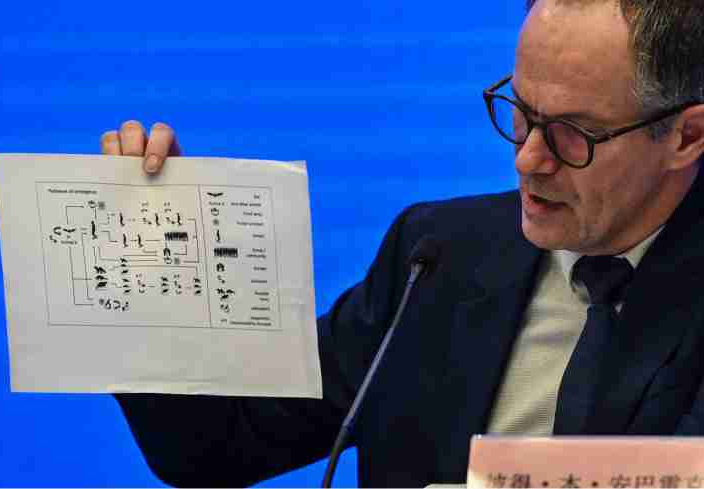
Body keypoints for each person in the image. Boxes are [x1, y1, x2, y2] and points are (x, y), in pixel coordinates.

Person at [105, 0, 704, 486]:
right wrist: (157, 261)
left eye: (574, 133)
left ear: (686, 136)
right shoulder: (440, 255)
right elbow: (215, 445)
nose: (528, 158)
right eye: (521, 111)